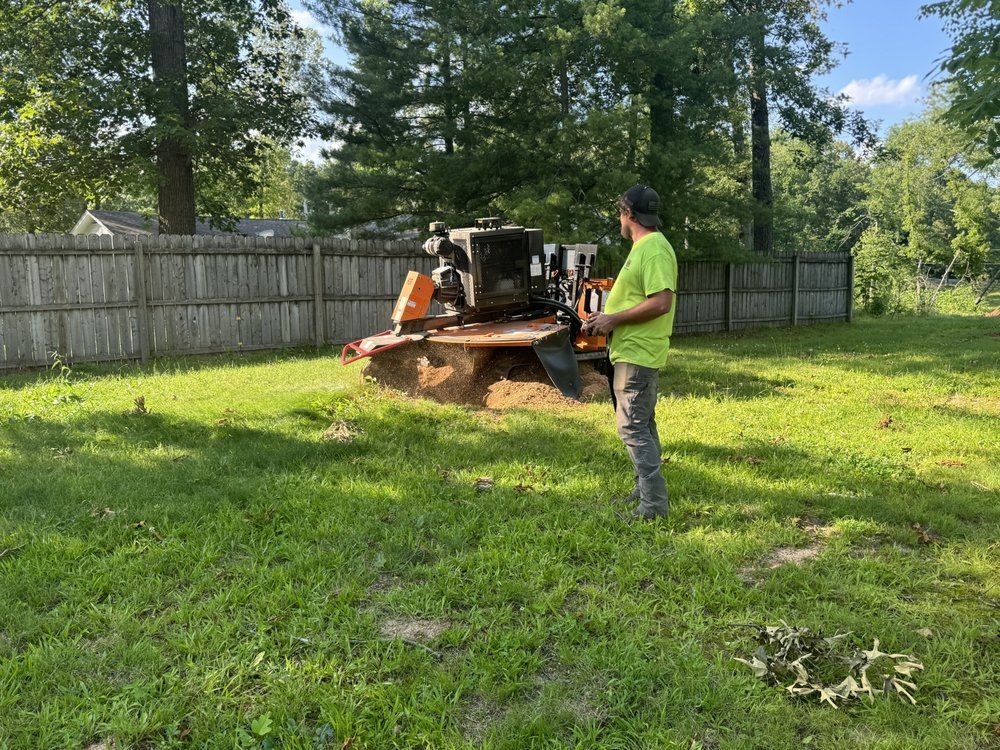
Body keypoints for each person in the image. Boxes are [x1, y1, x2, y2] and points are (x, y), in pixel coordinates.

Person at [584, 185, 677, 520]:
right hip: (632, 349)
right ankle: (644, 492)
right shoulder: (645, 247)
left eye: (620, 212)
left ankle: (652, 507)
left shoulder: (652, 249)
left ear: (629, 214)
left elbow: (661, 302)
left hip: (638, 353)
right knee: (642, 424)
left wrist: (613, 319)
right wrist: (605, 319)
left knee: (632, 428)